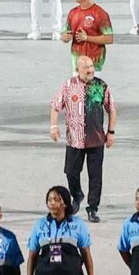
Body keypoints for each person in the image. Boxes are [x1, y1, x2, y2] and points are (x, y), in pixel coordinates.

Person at [51, 57, 116, 222]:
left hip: (96, 139)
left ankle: (92, 208)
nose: (90, 70)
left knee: (95, 176)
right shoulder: (68, 86)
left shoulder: (101, 86)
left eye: (92, 66)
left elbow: (112, 109)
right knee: (70, 172)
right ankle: (77, 194)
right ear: (78, 69)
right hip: (75, 139)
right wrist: (53, 126)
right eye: (86, 67)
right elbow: (55, 106)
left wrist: (111, 132)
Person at [63, 0, 115, 70]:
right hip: (77, 61)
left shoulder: (100, 13)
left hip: (94, 62)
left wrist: (87, 38)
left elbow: (109, 38)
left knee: (92, 84)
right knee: (78, 84)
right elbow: (65, 32)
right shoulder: (73, 12)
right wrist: (64, 37)